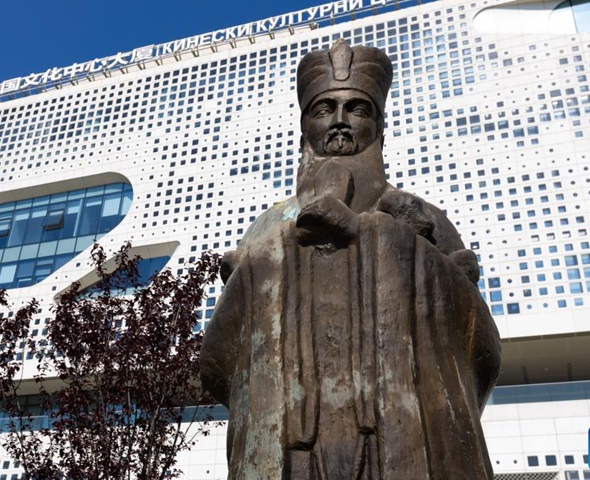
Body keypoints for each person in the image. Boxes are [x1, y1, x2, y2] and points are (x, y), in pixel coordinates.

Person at [201, 39, 501, 480]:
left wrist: (395, 242)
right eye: (324, 109)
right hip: (291, 438)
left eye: (356, 109)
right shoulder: (268, 227)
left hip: (401, 436)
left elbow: (479, 346)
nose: (340, 122)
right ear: (304, 124)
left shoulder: (421, 218)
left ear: (380, 123)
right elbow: (222, 357)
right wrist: (254, 273)